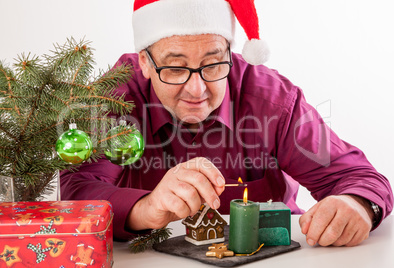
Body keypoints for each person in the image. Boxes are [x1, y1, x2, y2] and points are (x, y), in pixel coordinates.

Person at [61, 0, 393, 247]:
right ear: (146, 63)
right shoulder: (115, 97)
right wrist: (147, 208)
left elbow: (358, 177)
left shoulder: (272, 99)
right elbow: (77, 193)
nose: (197, 89)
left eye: (212, 64)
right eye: (175, 69)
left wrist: (356, 204)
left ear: (230, 54)